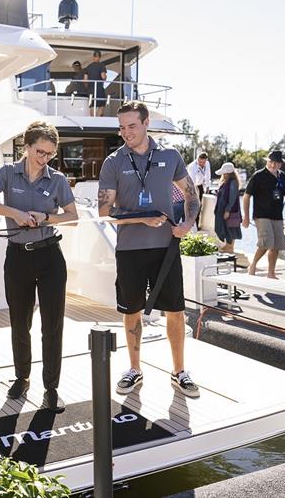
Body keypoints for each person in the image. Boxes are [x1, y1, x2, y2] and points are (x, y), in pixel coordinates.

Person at [98, 101, 201, 398]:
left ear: (146, 124)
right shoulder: (114, 162)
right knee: (131, 312)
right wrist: (140, 217)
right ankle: (134, 369)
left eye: (131, 126)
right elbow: (105, 209)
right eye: (121, 127)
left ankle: (179, 371)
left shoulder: (170, 157)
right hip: (130, 249)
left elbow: (192, 196)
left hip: (166, 248)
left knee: (176, 311)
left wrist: (188, 222)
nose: (125, 132)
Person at [0, 121, 78, 413]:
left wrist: (46, 217)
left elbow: (73, 216)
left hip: (50, 258)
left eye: (49, 154)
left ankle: (51, 387)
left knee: (52, 326)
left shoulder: (57, 179)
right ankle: (22, 378)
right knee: (20, 323)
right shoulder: (8, 174)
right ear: (26, 146)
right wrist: (15, 213)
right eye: (39, 151)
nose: (43, 158)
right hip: (18, 257)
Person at [242, 150, 285, 279]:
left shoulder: (281, 176)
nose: (273, 165)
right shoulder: (258, 176)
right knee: (266, 243)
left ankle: (271, 273)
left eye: (276, 163)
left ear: (280, 164)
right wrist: (246, 217)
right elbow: (246, 197)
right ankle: (253, 265)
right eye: (271, 162)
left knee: (277, 245)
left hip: (277, 215)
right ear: (267, 161)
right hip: (261, 215)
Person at [213, 162, 242, 253]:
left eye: (224, 173)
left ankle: (230, 247)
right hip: (222, 210)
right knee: (224, 227)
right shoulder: (226, 182)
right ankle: (228, 245)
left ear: (228, 173)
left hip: (228, 211)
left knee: (230, 228)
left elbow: (232, 197)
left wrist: (227, 210)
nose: (223, 174)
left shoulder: (232, 182)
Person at [186, 152, 211, 228]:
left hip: (200, 186)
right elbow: (192, 181)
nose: (201, 164)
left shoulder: (207, 163)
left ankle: (197, 224)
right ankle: (191, 224)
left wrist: (207, 187)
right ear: (197, 159)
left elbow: (208, 176)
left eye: (203, 162)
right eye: (200, 162)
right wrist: (193, 193)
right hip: (192, 186)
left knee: (199, 206)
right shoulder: (192, 166)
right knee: (194, 205)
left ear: (206, 160)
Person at [84, 50, 107, 116]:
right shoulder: (101, 65)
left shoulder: (88, 67)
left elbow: (85, 80)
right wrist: (105, 77)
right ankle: (98, 119)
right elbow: (103, 77)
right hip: (99, 89)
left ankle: (92, 119)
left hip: (90, 90)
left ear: (93, 57)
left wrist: (87, 88)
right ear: (99, 57)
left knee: (92, 105)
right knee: (101, 104)